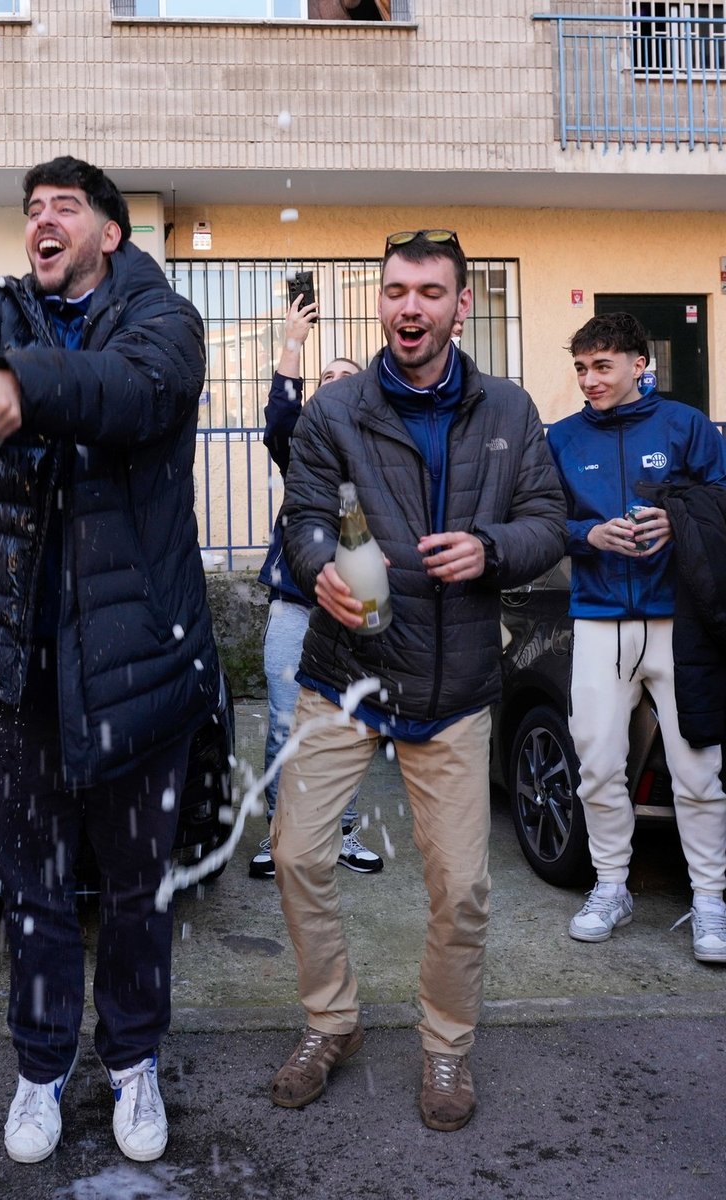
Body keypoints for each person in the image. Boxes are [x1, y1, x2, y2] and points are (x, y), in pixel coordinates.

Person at [0, 157, 222, 1166]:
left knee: (134, 889)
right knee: (31, 884)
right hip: (14, 667)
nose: (40, 221)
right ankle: (39, 1069)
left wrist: (16, 386)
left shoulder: (165, 319)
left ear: (108, 234)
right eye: (30, 209)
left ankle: (131, 1062)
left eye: (62, 208)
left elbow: (133, 395)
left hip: (137, 670)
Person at [269, 229, 565, 1133]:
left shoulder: (511, 411)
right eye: (397, 290)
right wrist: (319, 559)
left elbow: (548, 521)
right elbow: (305, 514)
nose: (409, 307)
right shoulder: (337, 411)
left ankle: (444, 1047)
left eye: (430, 292)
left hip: (455, 687)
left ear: (460, 306)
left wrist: (491, 549)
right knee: (297, 855)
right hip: (346, 677)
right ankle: (332, 1022)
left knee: (463, 888)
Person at [545, 311, 726, 963]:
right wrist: (585, 535)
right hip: (597, 619)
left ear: (638, 365)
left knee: (698, 770)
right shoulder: (560, 439)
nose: (589, 379)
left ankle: (710, 901)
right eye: (581, 369)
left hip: (680, 623)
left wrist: (680, 524)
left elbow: (723, 500)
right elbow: (537, 520)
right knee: (595, 766)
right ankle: (612, 887)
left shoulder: (687, 426)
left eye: (602, 366)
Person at [251, 297, 380, 879]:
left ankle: (342, 832)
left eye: (343, 378)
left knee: (347, 723)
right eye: (324, 378)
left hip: (357, 609)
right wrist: (293, 344)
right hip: (296, 607)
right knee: (284, 721)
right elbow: (278, 421)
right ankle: (280, 833)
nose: (331, 384)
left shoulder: (381, 450)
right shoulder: (302, 444)